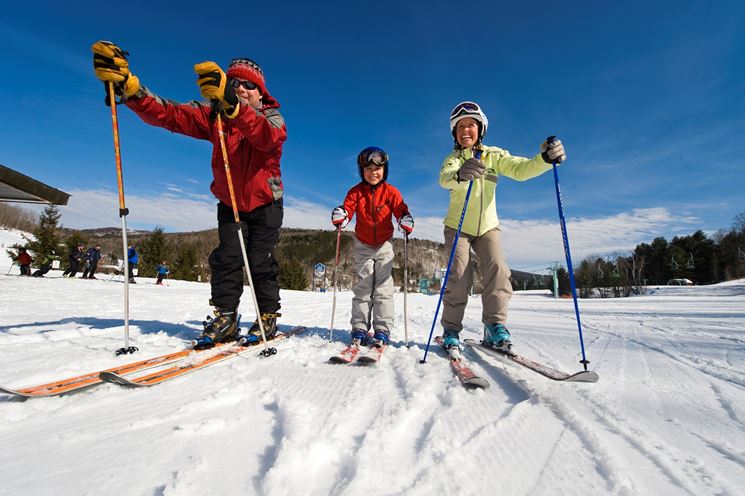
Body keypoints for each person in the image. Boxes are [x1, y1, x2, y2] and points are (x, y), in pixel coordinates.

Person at [92, 41, 287, 343]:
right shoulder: (215, 115)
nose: (242, 89)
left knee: (260, 261)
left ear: (261, 92)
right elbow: (171, 114)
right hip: (230, 203)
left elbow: (267, 139)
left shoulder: (272, 117)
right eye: (234, 83)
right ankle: (226, 316)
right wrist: (132, 90)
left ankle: (267, 315)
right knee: (227, 258)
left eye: (249, 85)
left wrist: (234, 109)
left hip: (265, 205)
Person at [438, 101, 566, 353]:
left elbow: (520, 169)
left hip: (488, 225)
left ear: (480, 129)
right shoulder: (452, 159)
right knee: (460, 275)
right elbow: (444, 179)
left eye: (471, 125)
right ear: (454, 133)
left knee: (498, 269)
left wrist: (544, 159)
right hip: (458, 226)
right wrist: (461, 174)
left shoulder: (494, 155)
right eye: (460, 127)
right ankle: (451, 329)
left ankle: (494, 325)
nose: (466, 130)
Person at [331, 147, 414, 348]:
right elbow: (348, 208)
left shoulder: (391, 192)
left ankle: (382, 329)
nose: (373, 173)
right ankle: (359, 326)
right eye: (368, 169)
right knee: (364, 287)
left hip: (384, 245)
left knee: (383, 288)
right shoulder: (356, 192)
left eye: (378, 168)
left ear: (385, 170)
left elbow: (400, 209)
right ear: (361, 171)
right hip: (363, 245)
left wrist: (404, 219)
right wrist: (342, 214)